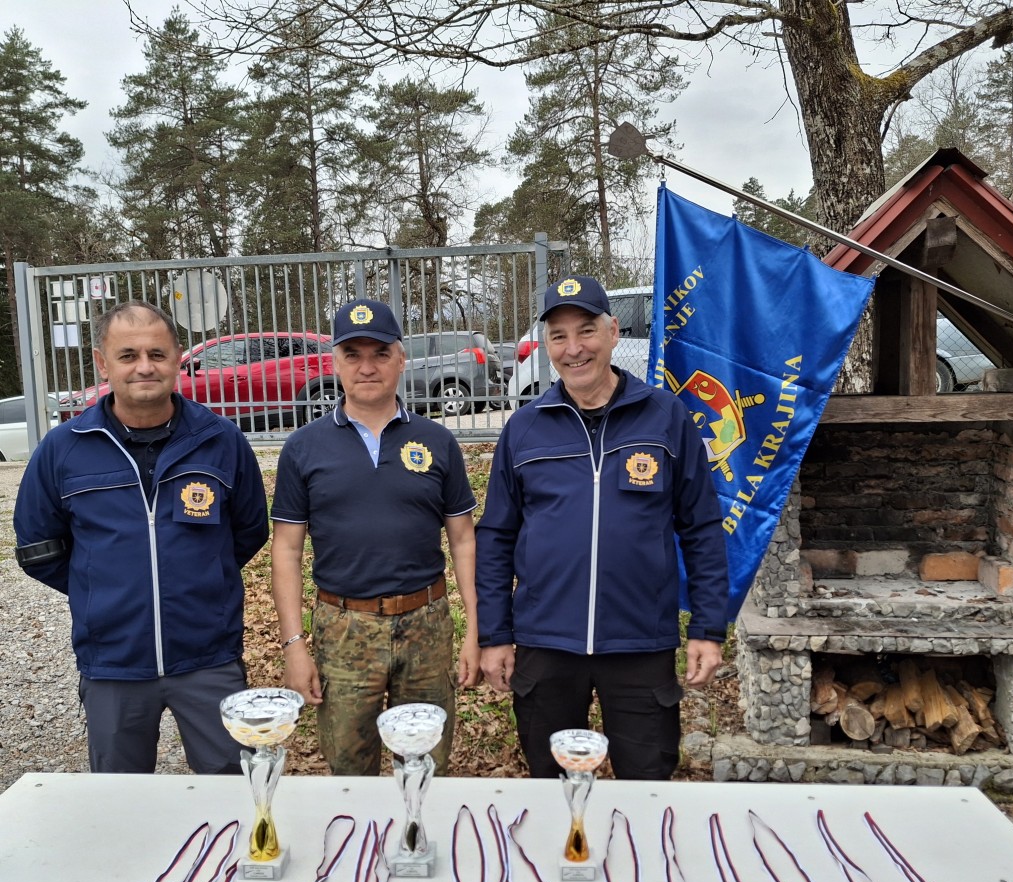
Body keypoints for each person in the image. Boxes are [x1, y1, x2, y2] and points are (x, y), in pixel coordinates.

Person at [475, 274, 729, 780]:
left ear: (613, 332)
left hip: (640, 641)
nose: (574, 349)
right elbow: (497, 537)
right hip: (546, 641)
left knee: (646, 782)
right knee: (552, 784)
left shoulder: (666, 417)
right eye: (559, 336)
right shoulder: (524, 429)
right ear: (547, 345)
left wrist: (707, 627)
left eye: (586, 330)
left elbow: (700, 526)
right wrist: (495, 634)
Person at [14, 300, 269, 774]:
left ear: (177, 358)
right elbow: (37, 547)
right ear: (102, 363)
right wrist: (102, 587)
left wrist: (201, 579)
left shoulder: (221, 440)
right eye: (128, 355)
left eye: (157, 353)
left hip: (209, 658)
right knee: (120, 798)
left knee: (232, 791)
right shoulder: (64, 448)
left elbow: (250, 529)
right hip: (113, 663)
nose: (144, 367)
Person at [270, 298, 479, 776]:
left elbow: (464, 540)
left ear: (401, 359)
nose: (367, 367)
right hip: (344, 628)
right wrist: (294, 644)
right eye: (353, 355)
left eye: (380, 354)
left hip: (426, 624)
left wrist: (474, 629)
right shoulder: (303, 448)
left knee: (425, 763)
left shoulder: (437, 441)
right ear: (335, 362)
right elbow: (286, 549)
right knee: (349, 767)